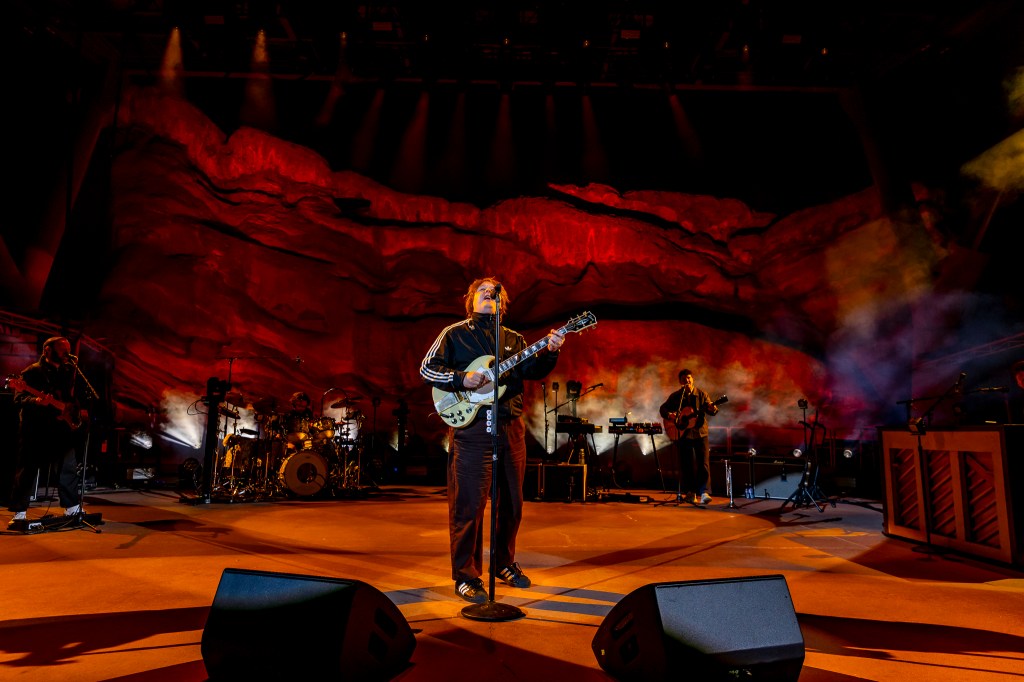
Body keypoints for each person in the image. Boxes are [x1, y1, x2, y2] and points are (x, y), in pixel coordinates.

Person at [419, 277, 565, 603]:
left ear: (503, 303)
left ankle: (503, 563)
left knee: (512, 502)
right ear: (471, 300)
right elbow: (427, 369)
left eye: (494, 292)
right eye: (482, 291)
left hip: (510, 427)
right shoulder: (454, 334)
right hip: (472, 430)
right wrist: (462, 378)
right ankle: (466, 575)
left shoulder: (513, 339)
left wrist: (550, 352)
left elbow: (532, 370)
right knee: (469, 505)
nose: (489, 294)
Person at [7, 337, 90, 528]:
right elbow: (19, 399)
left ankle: (72, 507)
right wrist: (36, 401)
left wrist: (73, 409)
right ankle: (19, 513)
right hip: (35, 428)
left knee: (67, 467)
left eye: (68, 349)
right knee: (27, 470)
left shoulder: (68, 371)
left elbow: (68, 397)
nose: (66, 353)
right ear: (47, 350)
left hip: (59, 427)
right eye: (62, 349)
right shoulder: (32, 372)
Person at [659, 368, 720, 505]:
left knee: (703, 463)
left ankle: (704, 492)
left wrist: (713, 408)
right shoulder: (676, 396)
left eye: (689, 378)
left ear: (692, 379)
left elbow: (711, 410)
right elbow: (663, 409)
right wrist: (670, 415)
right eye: (684, 378)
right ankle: (690, 492)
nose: (687, 380)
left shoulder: (701, 394)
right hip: (683, 434)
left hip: (700, 433)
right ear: (680, 381)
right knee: (686, 464)